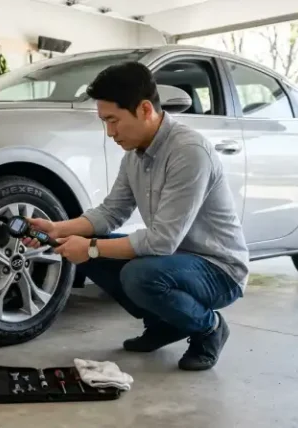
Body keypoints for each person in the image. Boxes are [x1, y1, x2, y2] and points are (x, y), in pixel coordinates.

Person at [23, 61, 249, 371]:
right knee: (97, 250)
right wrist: (57, 228)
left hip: (218, 270)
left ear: (144, 109)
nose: (109, 132)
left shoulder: (189, 151)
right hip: (176, 261)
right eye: (104, 121)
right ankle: (166, 324)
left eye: (114, 120)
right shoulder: (135, 155)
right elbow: (111, 212)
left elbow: (162, 242)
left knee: (135, 272)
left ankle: (208, 328)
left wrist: (88, 247)